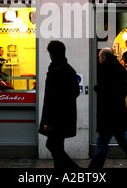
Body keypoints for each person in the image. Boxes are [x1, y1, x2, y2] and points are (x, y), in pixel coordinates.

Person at [89, 48, 127, 169]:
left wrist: (97, 88)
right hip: (119, 113)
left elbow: (103, 91)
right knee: (126, 144)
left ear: (104, 58)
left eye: (99, 57)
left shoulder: (105, 70)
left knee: (102, 146)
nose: (98, 60)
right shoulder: (119, 69)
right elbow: (123, 92)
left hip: (107, 115)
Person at [39, 40, 80, 169]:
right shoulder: (69, 69)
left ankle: (76, 170)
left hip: (55, 118)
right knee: (57, 146)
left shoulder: (54, 71)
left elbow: (50, 99)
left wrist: (48, 121)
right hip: (66, 116)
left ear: (51, 54)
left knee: (52, 146)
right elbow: (75, 92)